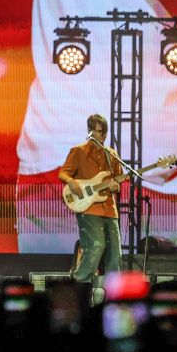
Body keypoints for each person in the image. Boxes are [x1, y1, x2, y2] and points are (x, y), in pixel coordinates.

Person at [58, 115, 126, 284]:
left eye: (104, 132)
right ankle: (77, 288)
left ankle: (113, 295)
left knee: (115, 255)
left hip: (110, 209)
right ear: (90, 131)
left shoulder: (112, 155)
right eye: (98, 131)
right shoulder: (79, 151)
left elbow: (118, 181)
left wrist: (115, 186)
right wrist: (71, 182)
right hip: (88, 208)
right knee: (95, 247)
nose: (101, 136)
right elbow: (63, 173)